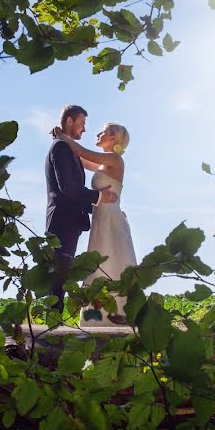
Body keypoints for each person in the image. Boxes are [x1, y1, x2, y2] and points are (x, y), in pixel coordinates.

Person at [51, 122, 137, 327]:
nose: (97, 134)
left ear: (113, 138)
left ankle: (118, 315)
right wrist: (59, 142)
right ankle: (100, 316)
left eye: (103, 132)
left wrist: (63, 136)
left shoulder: (114, 159)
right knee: (99, 262)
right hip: (101, 217)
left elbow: (80, 151)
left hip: (110, 219)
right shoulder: (103, 162)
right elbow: (78, 158)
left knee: (112, 261)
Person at [45, 105, 117, 314]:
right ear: (69, 121)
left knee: (62, 275)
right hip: (62, 221)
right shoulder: (61, 148)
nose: (84, 129)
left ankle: (54, 322)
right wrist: (98, 197)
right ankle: (52, 325)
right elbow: (68, 188)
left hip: (70, 221)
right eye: (82, 124)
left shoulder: (69, 149)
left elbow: (89, 163)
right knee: (58, 276)